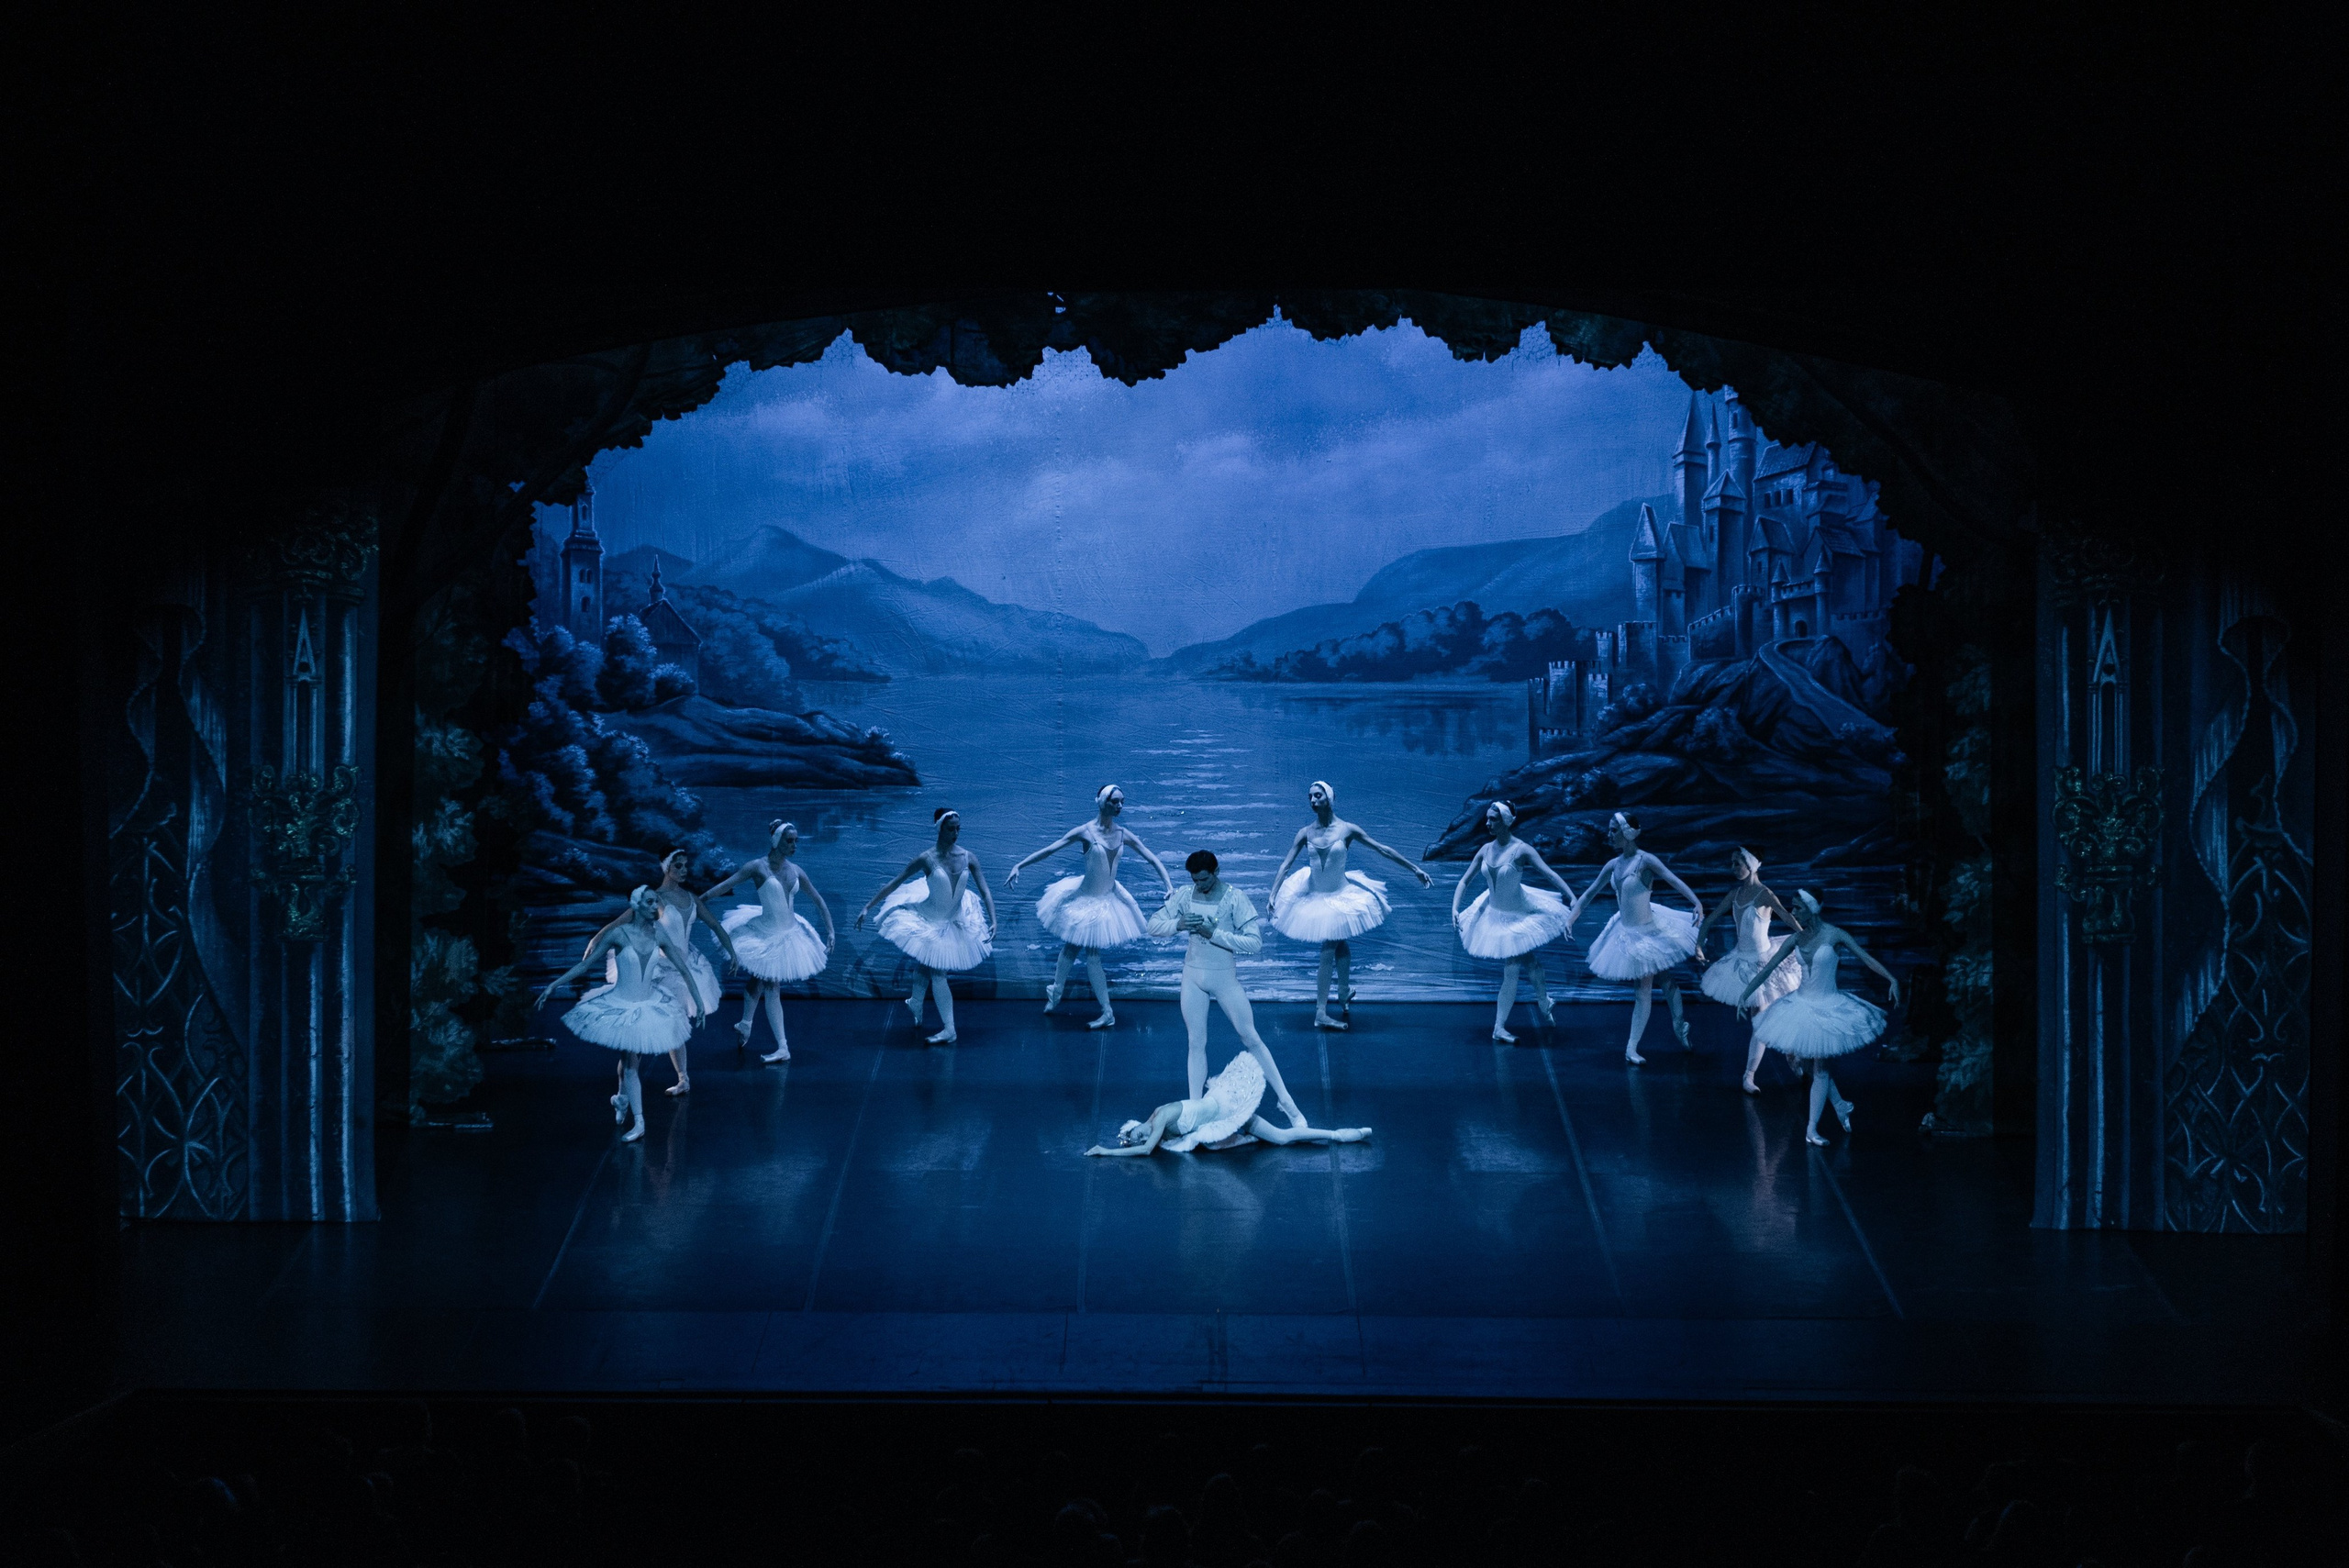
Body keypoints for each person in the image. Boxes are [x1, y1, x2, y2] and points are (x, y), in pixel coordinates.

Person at [1147, 850, 1309, 1126]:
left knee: (1251, 1037)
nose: (1201, 885)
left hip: (1224, 978)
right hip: (1193, 976)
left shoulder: (1235, 898)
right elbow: (1152, 925)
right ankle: (1196, 1111)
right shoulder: (1185, 896)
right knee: (1195, 1042)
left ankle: (1287, 1103)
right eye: (1196, 880)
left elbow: (1254, 943)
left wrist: (1215, 934)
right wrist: (1179, 923)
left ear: (1216, 871)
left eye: (1205, 879)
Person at [537, 885, 705, 1142]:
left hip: (648, 1005)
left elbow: (683, 969)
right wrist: (553, 984)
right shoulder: (619, 934)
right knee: (629, 1063)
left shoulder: (659, 936)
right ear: (636, 905)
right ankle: (639, 1121)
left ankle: (621, 1098)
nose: (654, 907)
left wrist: (699, 1002)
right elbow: (585, 965)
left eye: (656, 902)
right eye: (649, 902)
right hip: (621, 1006)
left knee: (629, 1062)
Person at [1741, 888, 1902, 1145]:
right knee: (1813, 1066)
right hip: (1801, 1005)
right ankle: (1839, 1105)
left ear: (1813, 908)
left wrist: (1891, 978)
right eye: (1792, 908)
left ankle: (1811, 1129)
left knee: (1821, 1069)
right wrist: (1745, 994)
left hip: (1828, 1007)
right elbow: (1768, 969)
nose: (1793, 913)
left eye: (1798, 908)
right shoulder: (1796, 939)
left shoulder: (1835, 934)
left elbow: (1866, 958)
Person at [1267, 779, 1431, 1030]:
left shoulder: (1347, 830)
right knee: (1335, 942)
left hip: (1340, 893)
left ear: (1329, 798)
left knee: (1331, 944)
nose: (1313, 801)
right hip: (1314, 894)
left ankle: (1325, 1007)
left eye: (1318, 795)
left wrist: (1415, 869)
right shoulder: (1305, 833)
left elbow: (1382, 850)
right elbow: (1286, 865)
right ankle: (1339, 995)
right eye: (1310, 796)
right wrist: (1273, 893)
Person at [1007, 784, 1173, 1030]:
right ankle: (1059, 996)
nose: (1119, 806)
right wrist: (1019, 865)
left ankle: (1104, 1011)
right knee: (1072, 947)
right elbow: (1051, 849)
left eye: (1121, 802)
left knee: (1089, 953)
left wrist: (1168, 884)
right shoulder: (1085, 832)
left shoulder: (1123, 833)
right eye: (1114, 801)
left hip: (1108, 900)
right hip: (1085, 898)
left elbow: (1151, 857)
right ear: (1102, 801)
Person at [579, 847, 735, 1094]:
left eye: (686, 865)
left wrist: (732, 952)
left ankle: (683, 1078)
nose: (684, 870)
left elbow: (715, 925)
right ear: (666, 868)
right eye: (678, 866)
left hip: (683, 968)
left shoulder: (691, 898)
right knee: (643, 1029)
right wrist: (596, 939)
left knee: (676, 1024)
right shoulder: (655, 898)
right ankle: (624, 1087)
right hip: (657, 971)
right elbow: (622, 921)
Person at [1566, 811, 1704, 1065]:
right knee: (1662, 979)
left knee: (1646, 988)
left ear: (1628, 833)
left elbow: (1673, 880)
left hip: (1648, 931)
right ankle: (1677, 1025)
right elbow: (1588, 894)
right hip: (1626, 931)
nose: (1609, 835)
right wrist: (1571, 918)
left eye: (1613, 830)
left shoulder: (1645, 861)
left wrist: (1696, 902)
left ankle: (1639, 1044)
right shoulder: (1613, 865)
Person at [854, 807, 997, 1045]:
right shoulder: (927, 858)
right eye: (951, 829)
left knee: (929, 961)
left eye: (958, 829)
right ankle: (949, 1029)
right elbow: (896, 881)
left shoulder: (968, 857)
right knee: (937, 969)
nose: (956, 833)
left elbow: (985, 890)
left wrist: (994, 919)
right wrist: (868, 906)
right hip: (929, 918)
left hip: (954, 919)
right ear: (940, 829)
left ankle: (916, 1002)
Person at [702, 821, 833, 1063]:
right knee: (764, 980)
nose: (794, 845)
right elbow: (727, 884)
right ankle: (755, 1030)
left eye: (796, 841)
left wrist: (830, 931)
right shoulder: (757, 867)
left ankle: (757, 1030)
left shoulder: (796, 871)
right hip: (764, 932)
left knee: (768, 982)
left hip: (788, 935)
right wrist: (700, 901)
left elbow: (818, 900)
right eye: (789, 841)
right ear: (776, 841)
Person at [1450, 800, 1576, 1042]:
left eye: (1493, 819)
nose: (1487, 823)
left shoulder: (1522, 850)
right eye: (1487, 818)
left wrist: (1572, 898)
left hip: (1520, 913)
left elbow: (1549, 873)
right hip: (1494, 913)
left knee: (1513, 966)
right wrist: (1455, 908)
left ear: (1506, 821)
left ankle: (1500, 1027)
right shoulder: (1485, 849)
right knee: (1530, 962)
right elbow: (1465, 881)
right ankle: (1544, 1001)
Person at [1085, 1051, 1370, 1156]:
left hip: (1231, 1110)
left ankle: (1339, 1135)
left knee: (1282, 1139)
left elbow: (1147, 1150)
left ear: (1137, 1126)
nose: (1141, 1138)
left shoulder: (1158, 1119)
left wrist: (1105, 1151)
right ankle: (1340, 1135)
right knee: (1275, 1139)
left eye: (1136, 1135)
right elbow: (1148, 1144)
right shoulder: (1155, 1124)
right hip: (1221, 1113)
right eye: (1136, 1139)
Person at [1694, 846, 1804, 1094]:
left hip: (1765, 960)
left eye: (1738, 863)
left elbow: (1786, 916)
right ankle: (1760, 1070)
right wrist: (1699, 944)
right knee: (1762, 1016)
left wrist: (1807, 938)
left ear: (1752, 865)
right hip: (1742, 963)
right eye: (1732, 863)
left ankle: (1777, 1061)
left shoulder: (1764, 894)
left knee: (1767, 1015)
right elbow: (1710, 920)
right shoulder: (1734, 894)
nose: (1733, 868)